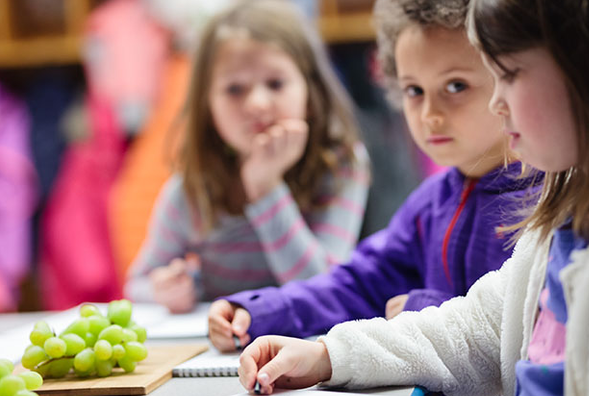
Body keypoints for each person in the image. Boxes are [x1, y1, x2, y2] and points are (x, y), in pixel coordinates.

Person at [236, 0, 589, 394]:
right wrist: (319, 349)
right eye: (413, 90)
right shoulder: (557, 207)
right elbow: (480, 325)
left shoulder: (557, 201)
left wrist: (418, 306)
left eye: (507, 75)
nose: (497, 101)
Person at [207, 0, 543, 352]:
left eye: (456, 86)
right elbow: (360, 283)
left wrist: (423, 311)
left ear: (507, 78)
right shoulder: (430, 203)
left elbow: (523, 324)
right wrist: (259, 311)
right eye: (414, 90)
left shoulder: (546, 202)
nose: (429, 114)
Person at [124, 0, 370, 313]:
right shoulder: (192, 190)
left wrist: (265, 188)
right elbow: (137, 283)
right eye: (235, 89)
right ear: (207, 106)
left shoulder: (340, 165)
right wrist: (165, 290)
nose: (257, 102)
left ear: (310, 92)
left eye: (276, 83)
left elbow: (318, 288)